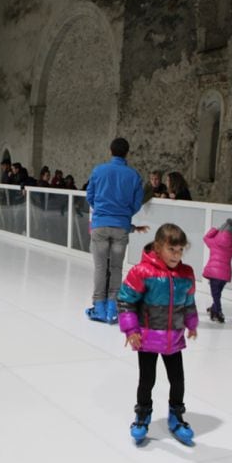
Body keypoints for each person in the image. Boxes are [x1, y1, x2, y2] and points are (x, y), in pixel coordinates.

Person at [117, 223, 198, 445]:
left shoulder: (186, 273)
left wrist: (192, 323)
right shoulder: (142, 272)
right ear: (159, 247)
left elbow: (189, 302)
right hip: (147, 339)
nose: (177, 254)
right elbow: (125, 301)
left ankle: (176, 416)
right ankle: (142, 415)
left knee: (178, 379)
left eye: (181, 250)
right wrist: (131, 329)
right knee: (147, 379)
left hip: (173, 338)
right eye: (172, 249)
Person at [84, 137, 144, 324]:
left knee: (101, 267)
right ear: (127, 153)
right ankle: (112, 308)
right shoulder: (134, 176)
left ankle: (99, 307)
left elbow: (90, 196)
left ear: (110, 151)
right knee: (116, 268)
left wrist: (102, 210)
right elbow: (136, 203)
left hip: (100, 224)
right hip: (121, 227)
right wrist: (124, 214)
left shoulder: (98, 171)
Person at [202, 218, 232, 323]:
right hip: (224, 275)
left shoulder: (213, 242)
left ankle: (218, 311)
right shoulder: (231, 247)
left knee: (216, 295)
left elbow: (205, 237)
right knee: (217, 294)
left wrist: (215, 229)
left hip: (213, 273)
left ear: (220, 231)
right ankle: (214, 309)